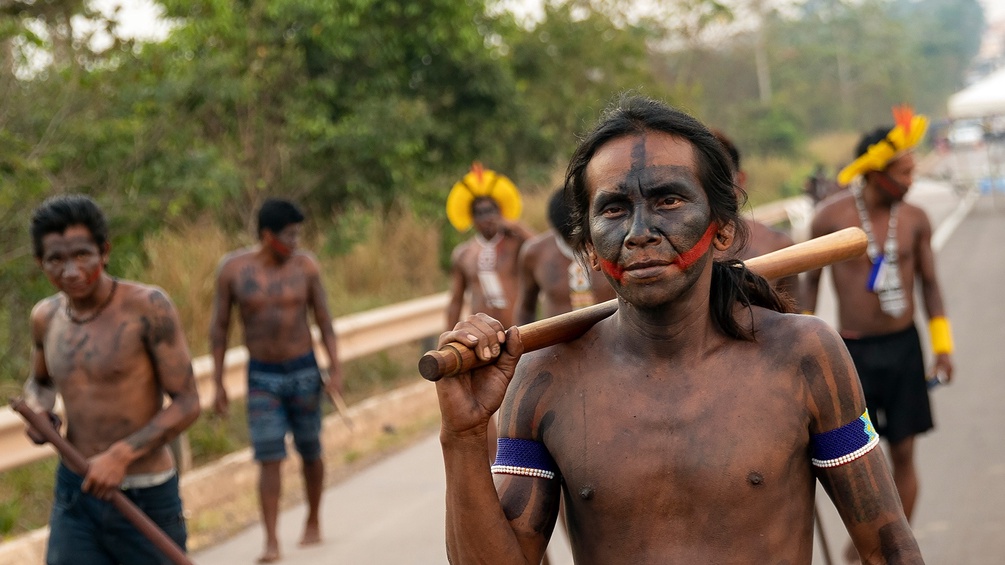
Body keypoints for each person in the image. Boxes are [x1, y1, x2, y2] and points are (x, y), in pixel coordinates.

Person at [434, 95, 923, 564]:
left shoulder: (803, 354)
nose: (640, 231)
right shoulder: (544, 379)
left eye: (668, 200)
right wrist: (464, 437)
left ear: (723, 227)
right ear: (587, 248)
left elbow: (887, 549)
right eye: (613, 209)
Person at [803, 106, 954, 562]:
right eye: (904, 171)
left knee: (904, 453)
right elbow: (807, 288)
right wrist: (797, 352)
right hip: (852, 355)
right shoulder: (830, 220)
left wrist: (943, 348)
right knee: (855, 463)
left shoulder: (916, 219)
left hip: (905, 349)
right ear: (875, 172)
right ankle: (867, 546)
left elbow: (930, 286)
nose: (911, 179)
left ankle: (891, 552)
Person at [23, 194, 201, 564]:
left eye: (82, 255)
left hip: (144, 495)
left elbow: (187, 402)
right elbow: (39, 383)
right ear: (41, 263)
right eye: (56, 260)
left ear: (104, 252)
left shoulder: (147, 307)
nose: (70, 271)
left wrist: (120, 456)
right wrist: (41, 412)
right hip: (77, 493)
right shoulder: (46, 317)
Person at [210, 197, 343, 564]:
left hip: (303, 371)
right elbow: (219, 329)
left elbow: (325, 321)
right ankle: (271, 540)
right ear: (268, 236)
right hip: (262, 377)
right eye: (289, 235)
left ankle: (313, 518)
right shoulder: (234, 270)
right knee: (269, 456)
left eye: (299, 234)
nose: (296, 241)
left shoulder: (306, 267)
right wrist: (218, 382)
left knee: (310, 449)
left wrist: (335, 370)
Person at [711, 129, 799, 302]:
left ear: (740, 181)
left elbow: (796, 319)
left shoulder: (777, 245)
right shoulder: (668, 250)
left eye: (721, 180)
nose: (713, 192)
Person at [445, 162, 535, 330]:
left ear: (501, 211)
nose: (486, 218)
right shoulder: (464, 254)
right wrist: (447, 341)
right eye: (480, 213)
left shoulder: (515, 244)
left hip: (519, 331)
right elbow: (456, 301)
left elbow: (543, 249)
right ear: (471, 218)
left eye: (491, 211)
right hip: (482, 338)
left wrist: (516, 227)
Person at [514, 188, 616, 325]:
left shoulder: (614, 247)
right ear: (555, 230)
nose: (578, 243)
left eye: (582, 237)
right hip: (558, 344)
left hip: (614, 342)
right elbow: (525, 309)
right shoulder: (535, 253)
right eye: (570, 240)